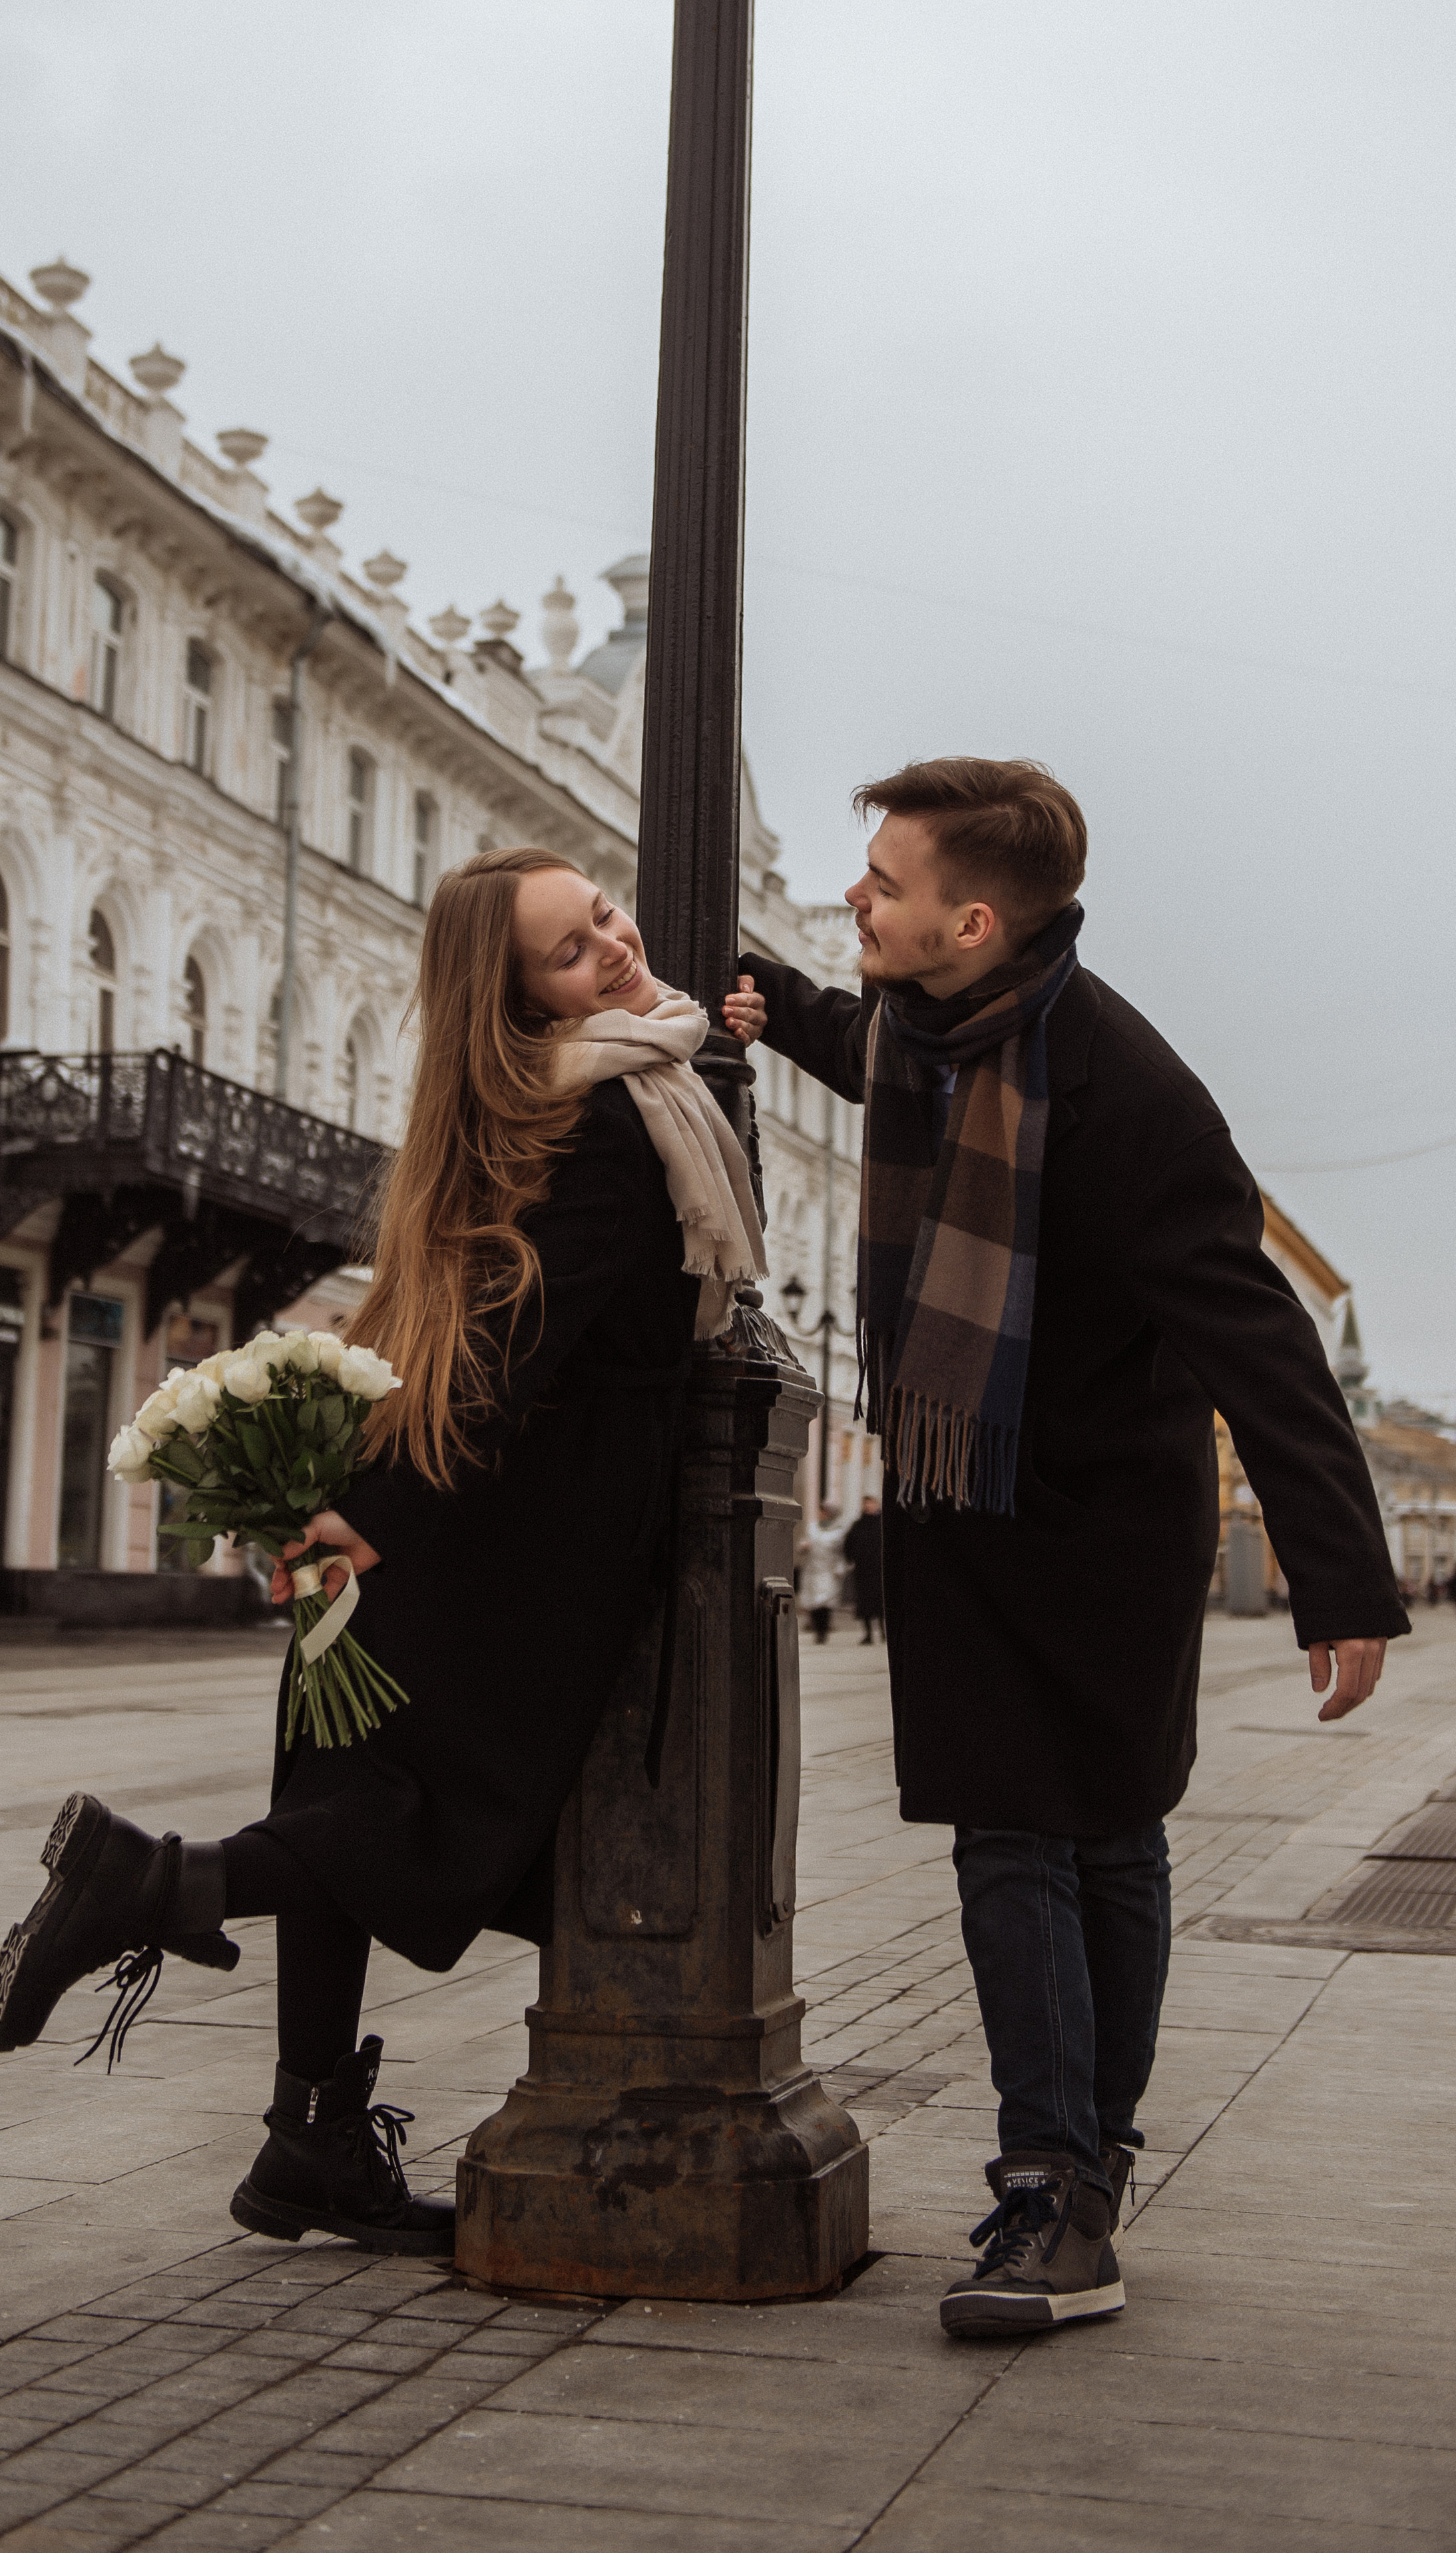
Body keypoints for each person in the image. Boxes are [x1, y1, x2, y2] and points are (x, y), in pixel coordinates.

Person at [0, 848, 764, 2258]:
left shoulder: (548, 1100)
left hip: (422, 1492)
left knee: (343, 1785)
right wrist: (386, 1521)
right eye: (569, 950)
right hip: (514, 1528)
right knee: (422, 1820)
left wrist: (353, 1502)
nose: (612, 943)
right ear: (517, 1001)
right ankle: (153, 1885)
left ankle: (308, 2139)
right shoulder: (605, 1121)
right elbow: (516, 1353)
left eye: (600, 914)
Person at [723, 756, 1407, 2340]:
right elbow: (849, 1030)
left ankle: (1079, 2167)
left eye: (882, 883)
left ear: (972, 919)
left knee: (1109, 1833)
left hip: (1104, 1524)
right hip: (964, 1509)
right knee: (1004, 1833)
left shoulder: (1125, 1090)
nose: (855, 897)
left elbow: (1258, 1338)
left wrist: (1337, 1569)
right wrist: (761, 987)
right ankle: (1051, 2178)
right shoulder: (917, 1025)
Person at [799, 1501, 847, 1641]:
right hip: (813, 1569)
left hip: (829, 1570)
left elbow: (841, 1552)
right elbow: (804, 1542)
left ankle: (823, 1630)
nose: (820, 1514)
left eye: (823, 1512)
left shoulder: (839, 1530)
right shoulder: (812, 1527)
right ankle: (816, 1628)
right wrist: (803, 1547)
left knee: (826, 1602)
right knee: (813, 1602)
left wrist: (840, 1567)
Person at [844, 1494, 884, 1643]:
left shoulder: (882, 1524)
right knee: (865, 1604)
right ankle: (868, 1634)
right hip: (863, 1571)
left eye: (871, 1503)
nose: (868, 1506)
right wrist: (852, 1560)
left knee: (881, 1603)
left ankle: (883, 1632)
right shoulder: (858, 1525)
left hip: (880, 1571)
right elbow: (849, 1545)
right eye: (866, 1504)